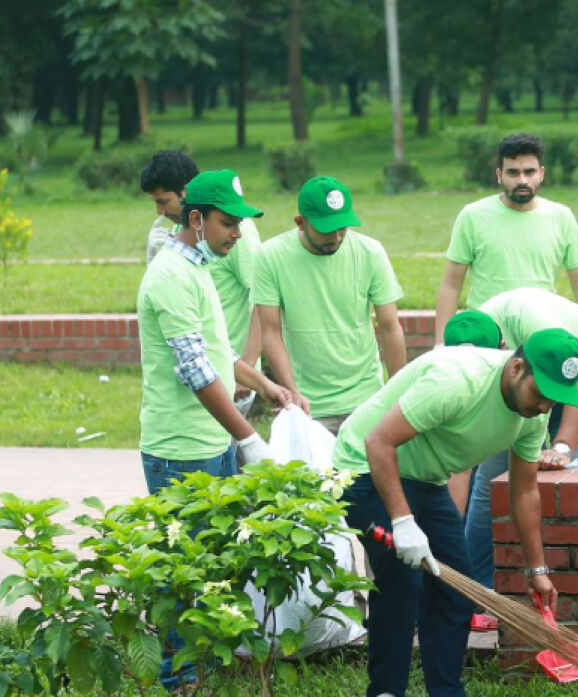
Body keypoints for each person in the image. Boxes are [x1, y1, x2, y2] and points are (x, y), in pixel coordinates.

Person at [332, 328, 578, 697]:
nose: (546, 406)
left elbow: (525, 488)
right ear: (517, 368)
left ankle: (446, 691)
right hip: (362, 467)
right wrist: (403, 522)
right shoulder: (457, 380)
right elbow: (378, 441)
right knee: (403, 580)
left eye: (555, 399)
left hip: (423, 478)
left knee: (457, 587)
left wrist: (537, 570)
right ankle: (387, 690)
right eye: (542, 394)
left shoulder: (531, 414)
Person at [137, 168, 291, 691]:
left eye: (242, 224)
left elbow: (216, 353)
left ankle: (205, 673)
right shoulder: (170, 276)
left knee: (212, 567)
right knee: (183, 576)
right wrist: (248, 437)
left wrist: (264, 385)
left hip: (211, 442)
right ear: (196, 219)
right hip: (180, 450)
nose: (238, 234)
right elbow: (195, 371)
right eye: (229, 224)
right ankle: (179, 681)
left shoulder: (200, 266)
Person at [445, 288, 578, 590]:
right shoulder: (470, 337)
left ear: (502, 348)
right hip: (523, 380)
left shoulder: (535, 324)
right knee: (491, 483)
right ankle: (474, 587)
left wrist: (563, 448)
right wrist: (444, 544)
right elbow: (459, 465)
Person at [253, 175, 406, 435]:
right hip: (308, 405)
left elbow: (391, 327)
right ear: (300, 222)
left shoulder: (370, 252)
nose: (336, 236)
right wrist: (292, 392)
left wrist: (399, 395)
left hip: (366, 399)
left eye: (343, 226)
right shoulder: (270, 256)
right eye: (326, 228)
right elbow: (270, 332)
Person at [141, 150, 265, 435]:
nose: (159, 211)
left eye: (163, 201)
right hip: (201, 370)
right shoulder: (187, 234)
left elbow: (264, 299)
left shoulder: (232, 235)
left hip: (231, 373)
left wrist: (247, 371)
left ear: (185, 193)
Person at [435, 132, 578, 341]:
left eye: (529, 172)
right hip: (486, 336)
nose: (522, 180)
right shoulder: (472, 216)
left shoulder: (561, 217)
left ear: (541, 173)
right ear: (499, 175)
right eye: (513, 173)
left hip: (541, 334)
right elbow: (451, 285)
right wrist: (441, 345)